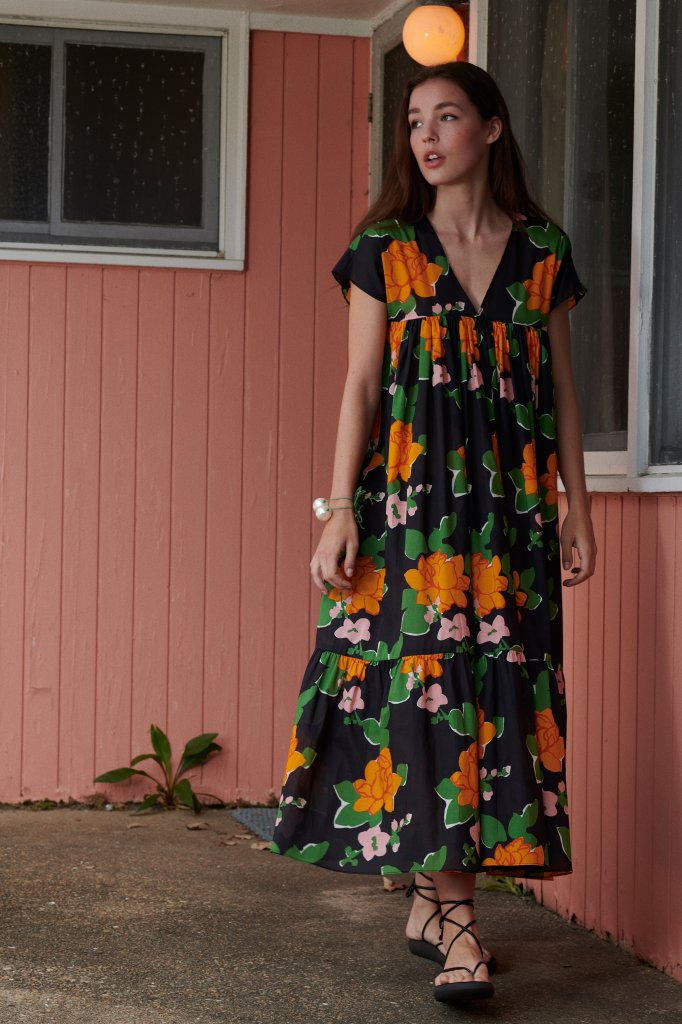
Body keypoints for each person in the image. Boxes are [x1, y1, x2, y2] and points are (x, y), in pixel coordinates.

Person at [270, 60, 596, 1005]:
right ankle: (459, 926)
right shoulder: (385, 249)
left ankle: (427, 897)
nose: (425, 135)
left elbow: (562, 392)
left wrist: (578, 505)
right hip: (412, 520)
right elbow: (362, 387)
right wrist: (339, 510)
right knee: (427, 695)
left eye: (446, 116)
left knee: (495, 700)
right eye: (414, 120)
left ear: (491, 129)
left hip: (511, 521)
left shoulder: (543, 253)